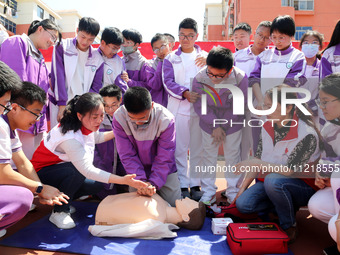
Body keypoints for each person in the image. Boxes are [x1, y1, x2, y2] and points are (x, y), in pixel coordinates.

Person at [31, 92, 148, 229]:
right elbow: (87, 169)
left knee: (96, 184)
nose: (99, 120)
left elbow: (96, 138)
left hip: (60, 170)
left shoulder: (84, 124)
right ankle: (59, 211)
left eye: (101, 115)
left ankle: (64, 202)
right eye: (95, 117)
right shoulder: (69, 137)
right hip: (41, 175)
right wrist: (123, 180)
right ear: (80, 115)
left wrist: (120, 132)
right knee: (76, 171)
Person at [234, 84, 322, 242]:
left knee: (273, 181)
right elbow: (258, 161)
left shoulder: (307, 133)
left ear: (288, 107)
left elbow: (289, 171)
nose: (266, 110)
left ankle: (289, 224)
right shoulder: (266, 126)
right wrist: (241, 190)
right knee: (243, 205)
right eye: (265, 106)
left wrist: (255, 162)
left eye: (270, 106)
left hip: (302, 185)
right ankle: (281, 205)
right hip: (273, 181)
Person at [0, 68, 68, 238]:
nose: (36, 120)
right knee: (21, 197)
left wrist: (40, 189)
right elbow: (2, 173)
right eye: (36, 114)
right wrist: (40, 188)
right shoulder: (2, 124)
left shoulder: (9, 128)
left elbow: (22, 162)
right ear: (15, 107)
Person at [192, 46, 248, 205]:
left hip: (232, 122)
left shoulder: (241, 78)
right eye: (211, 73)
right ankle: (208, 192)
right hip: (208, 122)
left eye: (219, 75)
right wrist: (214, 125)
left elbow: (238, 106)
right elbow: (200, 106)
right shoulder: (199, 78)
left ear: (229, 71)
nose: (214, 78)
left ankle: (232, 192)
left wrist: (222, 126)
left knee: (232, 156)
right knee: (208, 156)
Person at [0, 19, 61, 160]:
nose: (52, 42)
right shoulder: (18, 43)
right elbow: (15, 84)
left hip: (32, 120)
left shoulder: (40, 58)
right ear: (40, 29)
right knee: (12, 161)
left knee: (29, 162)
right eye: (52, 36)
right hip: (17, 117)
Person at [162, 18, 207, 201]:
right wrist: (185, 93)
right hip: (178, 108)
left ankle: (195, 184)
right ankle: (182, 184)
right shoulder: (171, 58)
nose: (186, 39)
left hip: (200, 110)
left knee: (197, 148)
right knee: (179, 148)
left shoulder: (205, 57)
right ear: (178, 35)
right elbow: (168, 82)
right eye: (182, 35)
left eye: (190, 35)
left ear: (196, 36)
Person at [112, 87, 181, 207]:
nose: (138, 122)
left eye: (143, 118)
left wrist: (154, 183)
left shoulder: (166, 119)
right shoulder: (119, 117)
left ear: (152, 105)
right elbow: (127, 155)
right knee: (138, 210)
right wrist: (141, 182)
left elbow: (165, 156)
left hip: (164, 170)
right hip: (135, 172)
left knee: (174, 206)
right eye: (132, 118)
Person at [249, 14, 307, 151]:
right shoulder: (264, 56)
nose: (277, 41)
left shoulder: (297, 57)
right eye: (274, 37)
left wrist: (274, 106)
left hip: (284, 113)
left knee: (280, 152)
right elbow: (254, 79)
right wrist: (260, 101)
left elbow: (292, 83)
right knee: (258, 149)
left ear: (291, 36)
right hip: (261, 110)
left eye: (281, 37)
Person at [49, 17, 104, 128]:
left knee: (80, 140)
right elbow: (58, 77)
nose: (85, 42)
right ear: (77, 30)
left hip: (82, 108)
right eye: (83, 36)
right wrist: (62, 104)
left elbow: (95, 87)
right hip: (61, 104)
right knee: (60, 139)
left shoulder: (98, 58)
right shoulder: (62, 47)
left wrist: (85, 108)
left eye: (90, 39)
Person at [307, 73, 340, 252]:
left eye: (326, 101)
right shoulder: (329, 128)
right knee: (317, 206)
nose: (322, 107)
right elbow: (325, 159)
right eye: (320, 102)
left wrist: (333, 172)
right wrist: (321, 173)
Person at [234, 21, 272, 162]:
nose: (262, 40)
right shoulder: (237, 57)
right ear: (254, 33)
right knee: (239, 149)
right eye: (260, 35)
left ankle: (259, 182)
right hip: (241, 110)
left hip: (263, 111)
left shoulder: (272, 57)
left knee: (260, 149)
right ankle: (235, 184)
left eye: (267, 37)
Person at [91, 192, 206, 236]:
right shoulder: (164, 204)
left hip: (103, 212)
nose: (186, 197)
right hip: (108, 200)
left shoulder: (156, 218)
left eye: (190, 203)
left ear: (185, 217)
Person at [94, 85, 126, 199]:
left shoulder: (128, 115)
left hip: (123, 164)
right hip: (103, 166)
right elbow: (94, 151)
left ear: (120, 100)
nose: (110, 110)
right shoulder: (96, 119)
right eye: (106, 106)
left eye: (114, 105)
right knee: (109, 198)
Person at [299, 30, 325, 128]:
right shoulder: (295, 65)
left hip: (316, 112)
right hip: (297, 111)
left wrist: (313, 106)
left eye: (314, 42)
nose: (310, 45)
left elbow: (324, 88)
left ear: (320, 47)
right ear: (301, 46)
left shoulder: (323, 66)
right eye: (306, 42)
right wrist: (301, 106)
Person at [97, 27, 128, 93]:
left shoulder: (119, 62)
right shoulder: (91, 56)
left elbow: (122, 87)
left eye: (118, 49)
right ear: (103, 43)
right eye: (114, 48)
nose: (115, 52)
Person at [146, 33, 171, 107]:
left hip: (176, 103)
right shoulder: (150, 65)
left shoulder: (177, 61)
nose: (160, 51)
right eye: (156, 49)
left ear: (169, 45)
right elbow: (156, 85)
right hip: (158, 106)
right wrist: (161, 63)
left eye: (162, 47)